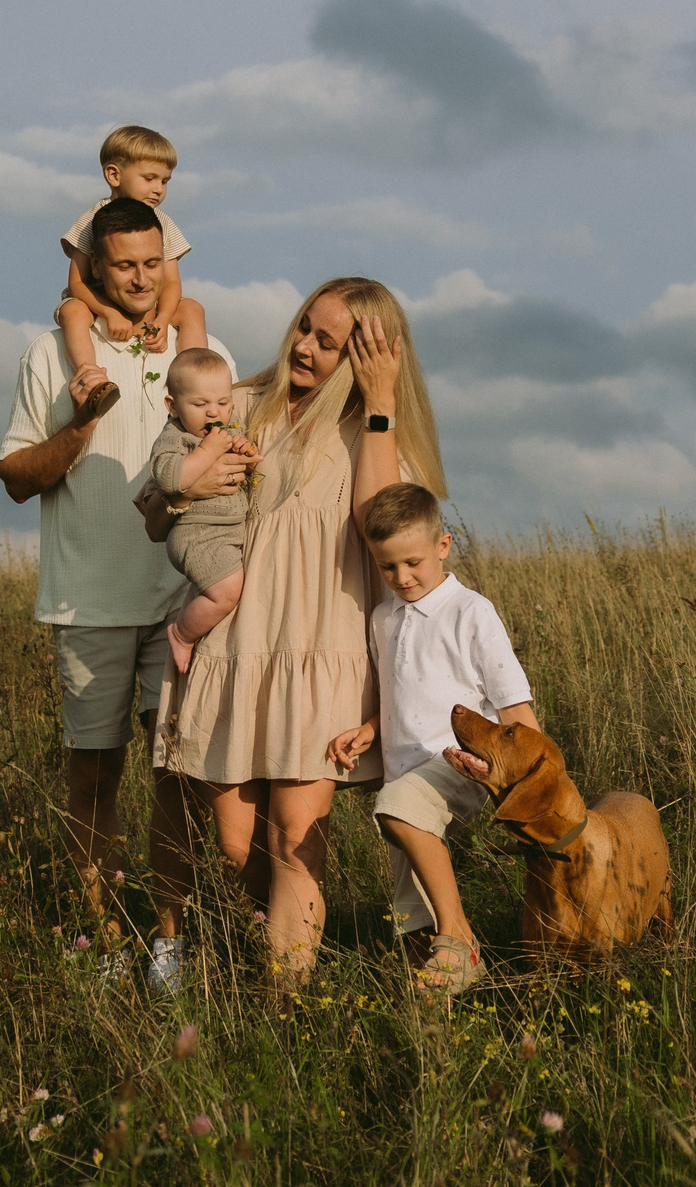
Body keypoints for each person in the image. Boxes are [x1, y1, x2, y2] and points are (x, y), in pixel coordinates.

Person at [155, 276, 445, 983]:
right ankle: (253, 951)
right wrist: (186, 487)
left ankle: (284, 1007)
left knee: (294, 837)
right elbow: (156, 512)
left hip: (324, 650)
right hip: (234, 644)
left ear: (366, 357)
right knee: (234, 842)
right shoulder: (240, 406)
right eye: (304, 328)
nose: (305, 346)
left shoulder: (378, 437)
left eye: (329, 340)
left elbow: (380, 524)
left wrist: (378, 405)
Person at [0, 195, 243, 993]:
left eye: (151, 262)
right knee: (94, 781)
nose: (139, 279)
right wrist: (80, 427)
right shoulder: (53, 352)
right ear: (95, 267)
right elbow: (13, 477)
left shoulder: (206, 357)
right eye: (123, 265)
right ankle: (101, 936)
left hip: (183, 603)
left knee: (176, 778)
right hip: (89, 604)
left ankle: (169, 941)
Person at [324, 482, 537, 994]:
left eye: (413, 562)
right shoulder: (383, 618)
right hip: (403, 770)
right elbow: (400, 692)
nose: (401, 577)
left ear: (443, 545)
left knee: (395, 808)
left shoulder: (471, 612)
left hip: (460, 763)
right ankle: (437, 994)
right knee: (410, 906)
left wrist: (519, 779)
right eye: (386, 567)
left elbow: (515, 709)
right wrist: (369, 730)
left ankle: (460, 938)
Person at [56, 125, 209, 402]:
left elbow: (172, 282)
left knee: (191, 309)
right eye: (149, 178)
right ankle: (91, 379)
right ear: (113, 175)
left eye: (165, 181)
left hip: (149, 308)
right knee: (73, 312)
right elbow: (77, 282)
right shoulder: (91, 220)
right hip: (96, 303)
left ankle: (198, 381)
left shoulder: (162, 222)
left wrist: (162, 321)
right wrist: (108, 313)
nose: (158, 190)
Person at [147, 347, 256, 674]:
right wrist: (208, 451)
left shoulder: (224, 430)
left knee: (220, 590)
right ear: (173, 406)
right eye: (199, 405)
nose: (213, 413)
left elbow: (243, 464)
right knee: (226, 593)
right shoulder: (175, 437)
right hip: (198, 535)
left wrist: (245, 452)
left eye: (223, 403)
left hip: (224, 533)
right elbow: (169, 479)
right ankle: (181, 634)